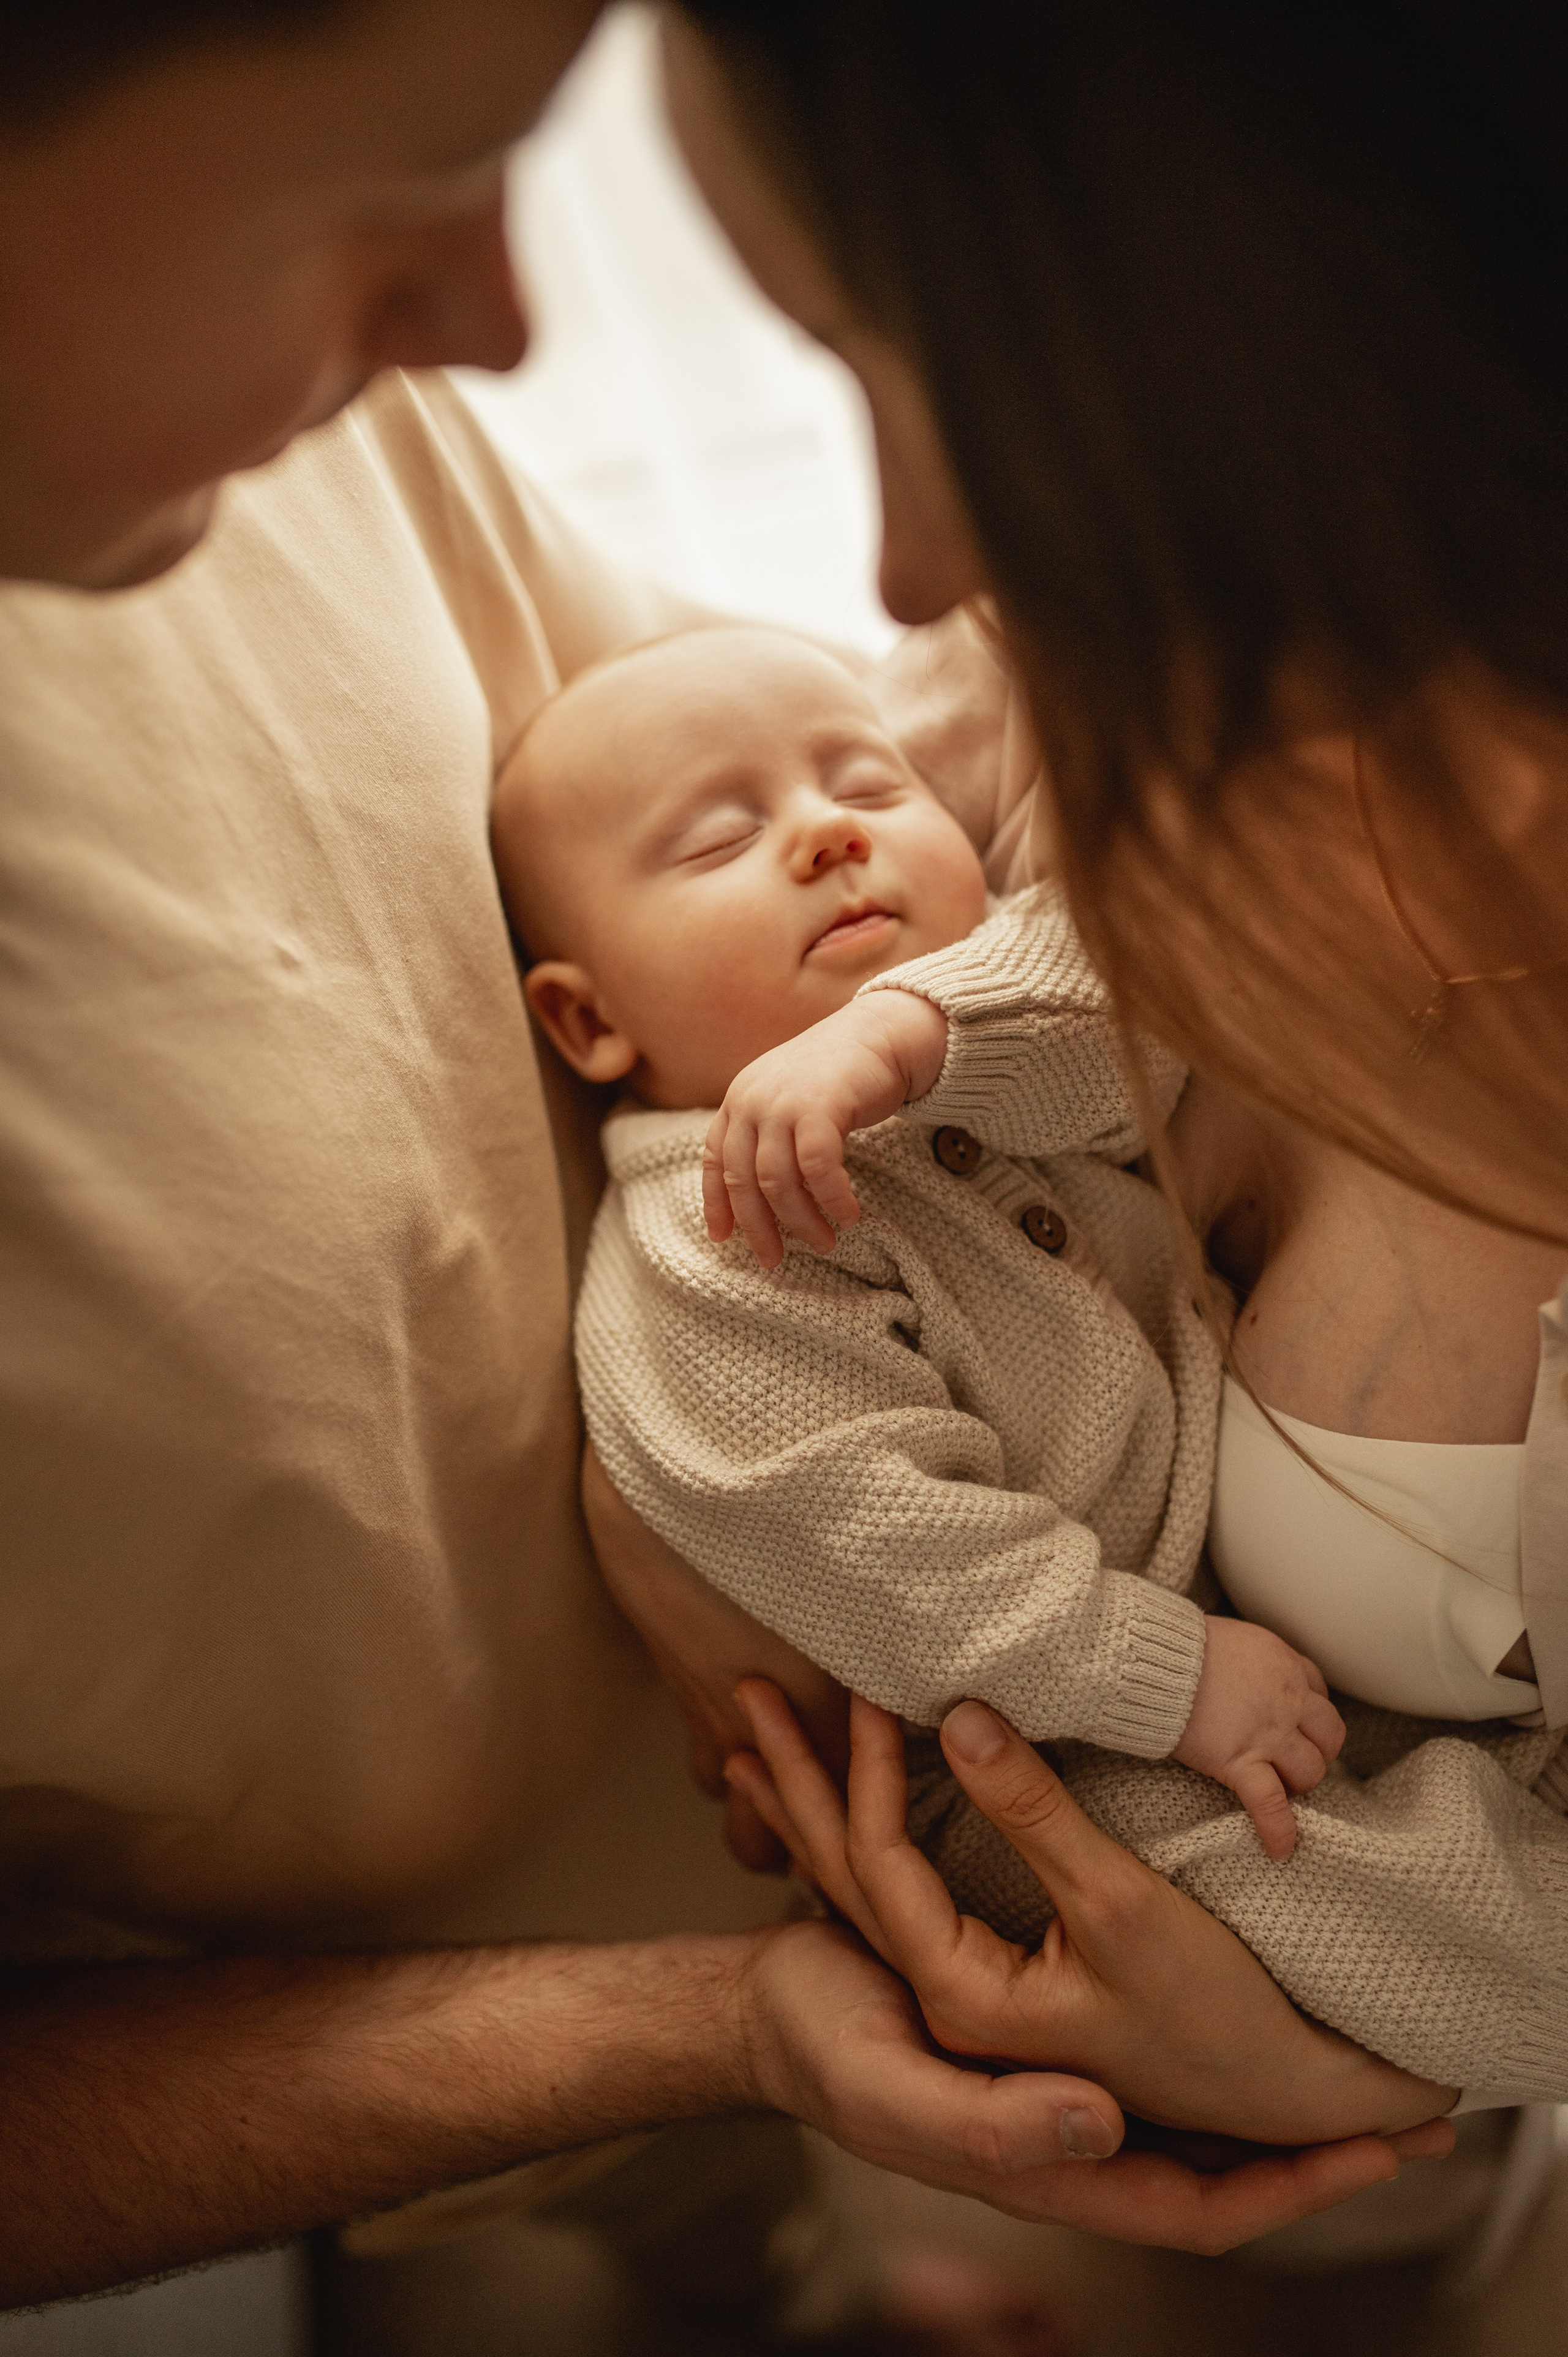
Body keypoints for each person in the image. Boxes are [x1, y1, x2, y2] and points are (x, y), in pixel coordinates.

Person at [0, 0, 1446, 2342]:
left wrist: (953, 911)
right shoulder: (714, 1262)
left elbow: (875, 765)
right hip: (782, 1936)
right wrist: (720, 2015)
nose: (497, 321)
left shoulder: (278, 412)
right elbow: (886, 1533)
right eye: (379, 200)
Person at [509, 616, 1564, 2124]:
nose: (822, 836)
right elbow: (889, 1553)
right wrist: (1165, 1676)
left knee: (1440, 1805)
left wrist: (910, 1023)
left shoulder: (955, 1046)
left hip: (1233, 1616)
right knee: (1326, 1906)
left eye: (868, 787)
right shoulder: (708, 1250)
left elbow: (1113, 981)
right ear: (588, 1015)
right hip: (1048, 1739)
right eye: (719, 841)